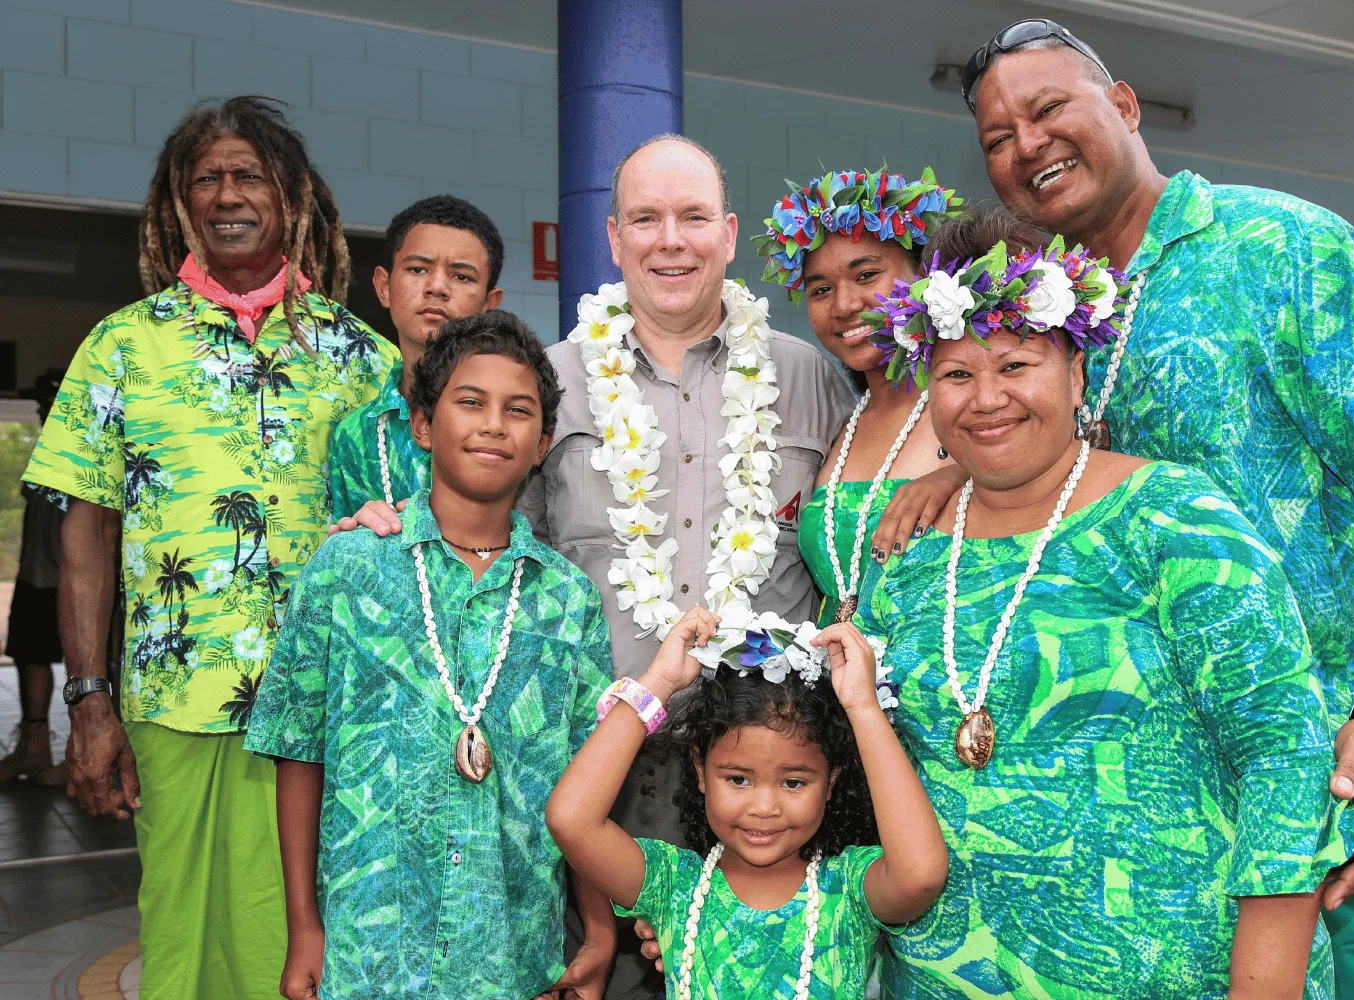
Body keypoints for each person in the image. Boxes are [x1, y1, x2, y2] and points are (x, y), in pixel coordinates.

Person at [959, 19, 1354, 997]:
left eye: (1046, 110)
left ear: (1122, 105)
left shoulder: (1277, 245)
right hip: (1135, 791)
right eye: (996, 137)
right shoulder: (1042, 305)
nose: (1025, 144)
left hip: (1311, 763)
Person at [337, 133, 857, 1000]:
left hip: (774, 778)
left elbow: (864, 521)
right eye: (645, 219)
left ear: (728, 234)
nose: (671, 240)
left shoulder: (810, 378)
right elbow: (493, 545)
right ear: (613, 239)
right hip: (607, 770)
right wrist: (397, 519)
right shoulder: (553, 382)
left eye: (693, 217)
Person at [854, 206, 1354, 998]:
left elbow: (1283, 758)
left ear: (1076, 371)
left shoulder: (1174, 519)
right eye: (957, 375)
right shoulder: (909, 558)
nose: (986, 398)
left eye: (1016, 364)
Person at [21, 96, 399, 999]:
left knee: (296, 936)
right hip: (173, 700)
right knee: (181, 936)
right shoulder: (122, 346)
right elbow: (87, 533)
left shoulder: (361, 358)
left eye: (249, 175)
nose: (227, 194)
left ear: (291, 197)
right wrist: (87, 700)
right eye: (207, 178)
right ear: (179, 202)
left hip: (322, 706)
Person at [247, 312, 616, 1000]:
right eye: (469, 402)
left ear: (541, 444)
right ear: (423, 426)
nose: (493, 424)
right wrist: (306, 927)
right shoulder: (346, 570)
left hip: (512, 949)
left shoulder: (569, 601)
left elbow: (586, 781)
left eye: (519, 411)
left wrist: (597, 931)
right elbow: (299, 751)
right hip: (371, 951)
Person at [546, 605, 948, 998]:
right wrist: (660, 680)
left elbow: (921, 874)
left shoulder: (849, 890)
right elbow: (571, 819)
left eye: (793, 782)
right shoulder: (673, 886)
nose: (764, 807)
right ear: (701, 772)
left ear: (830, 782)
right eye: (738, 779)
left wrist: (863, 708)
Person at [751, 168, 966, 626]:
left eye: (866, 275)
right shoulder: (843, 423)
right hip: (833, 688)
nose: (845, 305)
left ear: (927, 274)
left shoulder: (977, 406)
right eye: (821, 290)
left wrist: (961, 475)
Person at [327, 195, 506, 519]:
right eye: (418, 269)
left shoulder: (511, 420)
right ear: (384, 287)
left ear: (489, 303)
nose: (437, 287)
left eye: (462, 276)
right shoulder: (355, 436)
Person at [0, 370, 68, 786]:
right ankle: (33, 748)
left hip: (72, 579)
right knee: (28, 654)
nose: (44, 413)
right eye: (41, 407)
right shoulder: (47, 448)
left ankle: (87, 758)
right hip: (36, 573)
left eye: (50, 405)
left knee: (94, 667)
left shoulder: (86, 445)